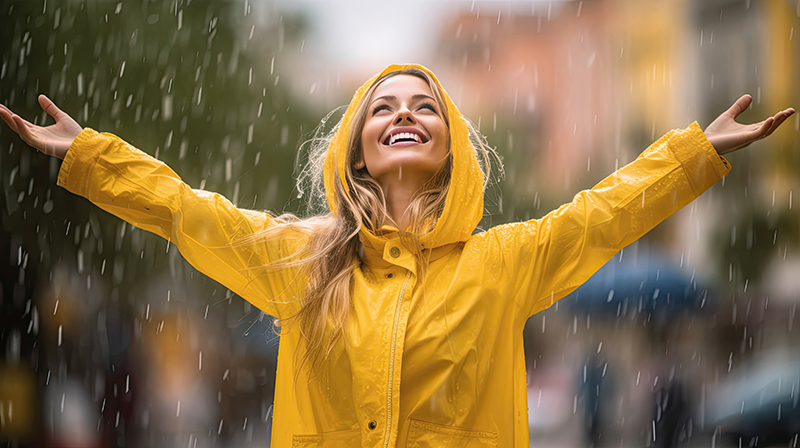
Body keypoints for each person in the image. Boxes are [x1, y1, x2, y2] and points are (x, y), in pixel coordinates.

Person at [0, 64, 794, 447]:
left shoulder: (503, 262)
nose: (405, 115)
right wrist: (91, 157)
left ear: (450, 147)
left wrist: (696, 155)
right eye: (384, 107)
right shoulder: (302, 260)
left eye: (425, 106)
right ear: (359, 147)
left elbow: (602, 216)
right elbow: (186, 212)